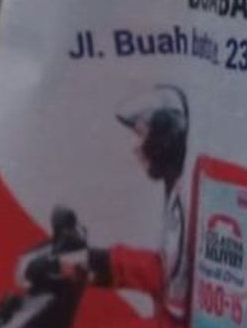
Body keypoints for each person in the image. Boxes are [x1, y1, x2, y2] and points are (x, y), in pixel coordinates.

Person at [24, 85, 190, 327]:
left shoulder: (182, 203)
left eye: (141, 135)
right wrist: (80, 262)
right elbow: (159, 273)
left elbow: (164, 286)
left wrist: (86, 262)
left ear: (163, 138)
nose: (135, 147)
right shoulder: (177, 192)